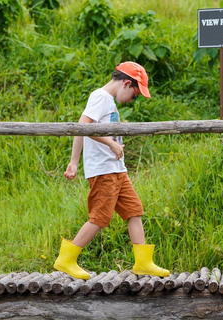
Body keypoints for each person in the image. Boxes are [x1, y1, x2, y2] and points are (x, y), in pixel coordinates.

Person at [53, 61, 170, 279]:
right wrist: (110, 145)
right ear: (126, 83)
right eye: (134, 95)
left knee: (134, 210)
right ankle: (66, 259)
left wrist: (74, 160)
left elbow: (83, 126)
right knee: (99, 217)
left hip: (117, 169)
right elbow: (84, 126)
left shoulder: (108, 102)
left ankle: (143, 262)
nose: (132, 100)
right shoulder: (101, 97)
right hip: (103, 171)